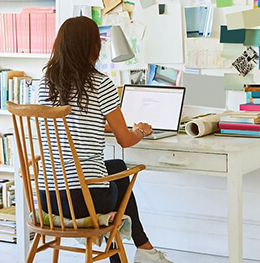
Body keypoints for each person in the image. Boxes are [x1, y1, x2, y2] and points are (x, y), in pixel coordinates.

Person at [37, 16, 173, 263]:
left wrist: (99, 126)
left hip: (48, 198)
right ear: (93, 47)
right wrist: (141, 130)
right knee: (120, 174)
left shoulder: (44, 84)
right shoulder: (101, 83)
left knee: (116, 169)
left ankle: (144, 249)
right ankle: (144, 249)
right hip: (81, 202)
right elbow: (125, 140)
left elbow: (67, 124)